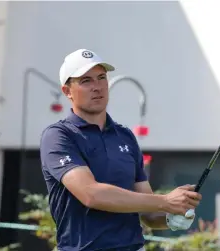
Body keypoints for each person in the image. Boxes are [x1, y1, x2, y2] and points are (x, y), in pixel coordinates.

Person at [39, 48, 202, 251]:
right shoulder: (58, 136)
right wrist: (165, 201)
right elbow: (91, 194)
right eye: (86, 81)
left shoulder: (125, 136)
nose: (97, 87)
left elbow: (149, 214)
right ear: (67, 91)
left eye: (101, 78)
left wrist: (172, 215)